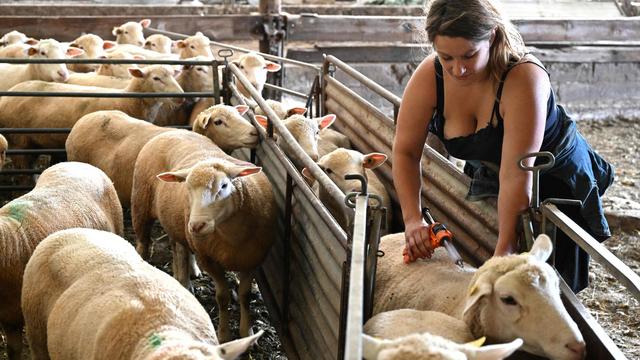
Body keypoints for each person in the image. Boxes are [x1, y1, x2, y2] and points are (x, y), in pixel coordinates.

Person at [392, 0, 614, 292]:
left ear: (492, 36)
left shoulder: (522, 77)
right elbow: (406, 151)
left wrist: (505, 250)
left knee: (548, 281)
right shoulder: (430, 76)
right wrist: (412, 219)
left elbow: (517, 173)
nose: (458, 70)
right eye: (446, 58)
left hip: (550, 176)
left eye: (469, 55)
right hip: (492, 168)